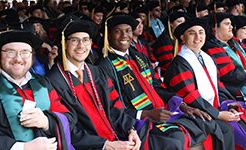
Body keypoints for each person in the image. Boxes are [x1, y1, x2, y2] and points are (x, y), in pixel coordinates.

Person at [46, 19, 186, 150]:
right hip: (90, 145)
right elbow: (66, 127)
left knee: (173, 143)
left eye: (86, 40)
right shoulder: (53, 81)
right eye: (74, 40)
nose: (81, 45)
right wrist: (105, 145)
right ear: (64, 44)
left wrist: (130, 129)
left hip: (118, 134)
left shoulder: (96, 72)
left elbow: (115, 107)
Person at [96, 14, 230, 150]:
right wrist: (146, 114)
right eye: (118, 31)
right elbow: (112, 107)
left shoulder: (139, 57)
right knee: (175, 140)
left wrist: (183, 105)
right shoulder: (104, 67)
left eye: (128, 31)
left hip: (160, 112)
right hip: (136, 122)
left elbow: (157, 86)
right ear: (108, 35)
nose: (124, 36)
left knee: (208, 123)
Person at [0, 30, 74, 150]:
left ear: (32, 55)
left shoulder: (43, 84)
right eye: (10, 52)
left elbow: (68, 119)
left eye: (25, 52)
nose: (18, 59)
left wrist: (47, 122)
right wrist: (24, 147)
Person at [165, 17, 246, 150]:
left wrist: (227, 104)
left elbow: (218, 86)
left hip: (212, 108)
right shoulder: (179, 64)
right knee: (229, 129)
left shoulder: (206, 58)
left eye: (201, 32)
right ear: (182, 38)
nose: (197, 37)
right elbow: (190, 96)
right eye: (192, 33)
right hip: (193, 111)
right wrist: (218, 114)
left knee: (243, 121)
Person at [202, 12, 246, 149]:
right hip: (238, 96)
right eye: (227, 24)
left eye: (231, 24)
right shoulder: (212, 48)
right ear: (216, 28)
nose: (231, 27)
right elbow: (230, 74)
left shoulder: (234, 43)